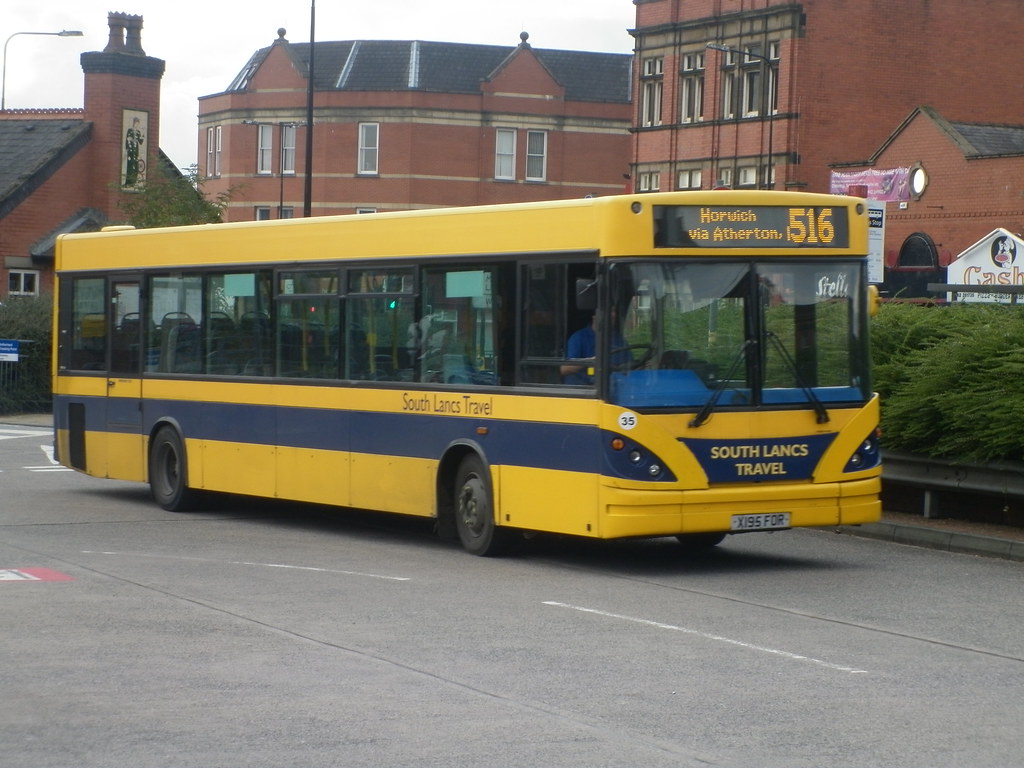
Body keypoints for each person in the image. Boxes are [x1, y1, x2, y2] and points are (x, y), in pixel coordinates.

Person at [560, 311, 631, 384]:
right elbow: (564, 369)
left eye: (614, 311)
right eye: (610, 311)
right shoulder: (578, 338)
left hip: (614, 386)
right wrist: (591, 361)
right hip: (583, 388)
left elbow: (630, 365)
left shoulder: (619, 340)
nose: (613, 314)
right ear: (595, 316)